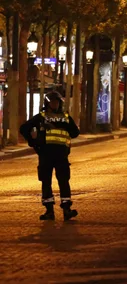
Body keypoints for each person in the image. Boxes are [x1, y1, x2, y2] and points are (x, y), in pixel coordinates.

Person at [19, 91, 80, 221]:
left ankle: (66, 209)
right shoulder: (42, 117)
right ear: (47, 103)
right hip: (46, 154)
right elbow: (24, 128)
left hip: (61, 155)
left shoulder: (65, 117)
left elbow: (75, 132)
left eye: (57, 102)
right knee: (46, 182)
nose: (55, 104)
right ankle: (49, 211)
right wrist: (33, 142)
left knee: (63, 181)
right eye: (53, 102)